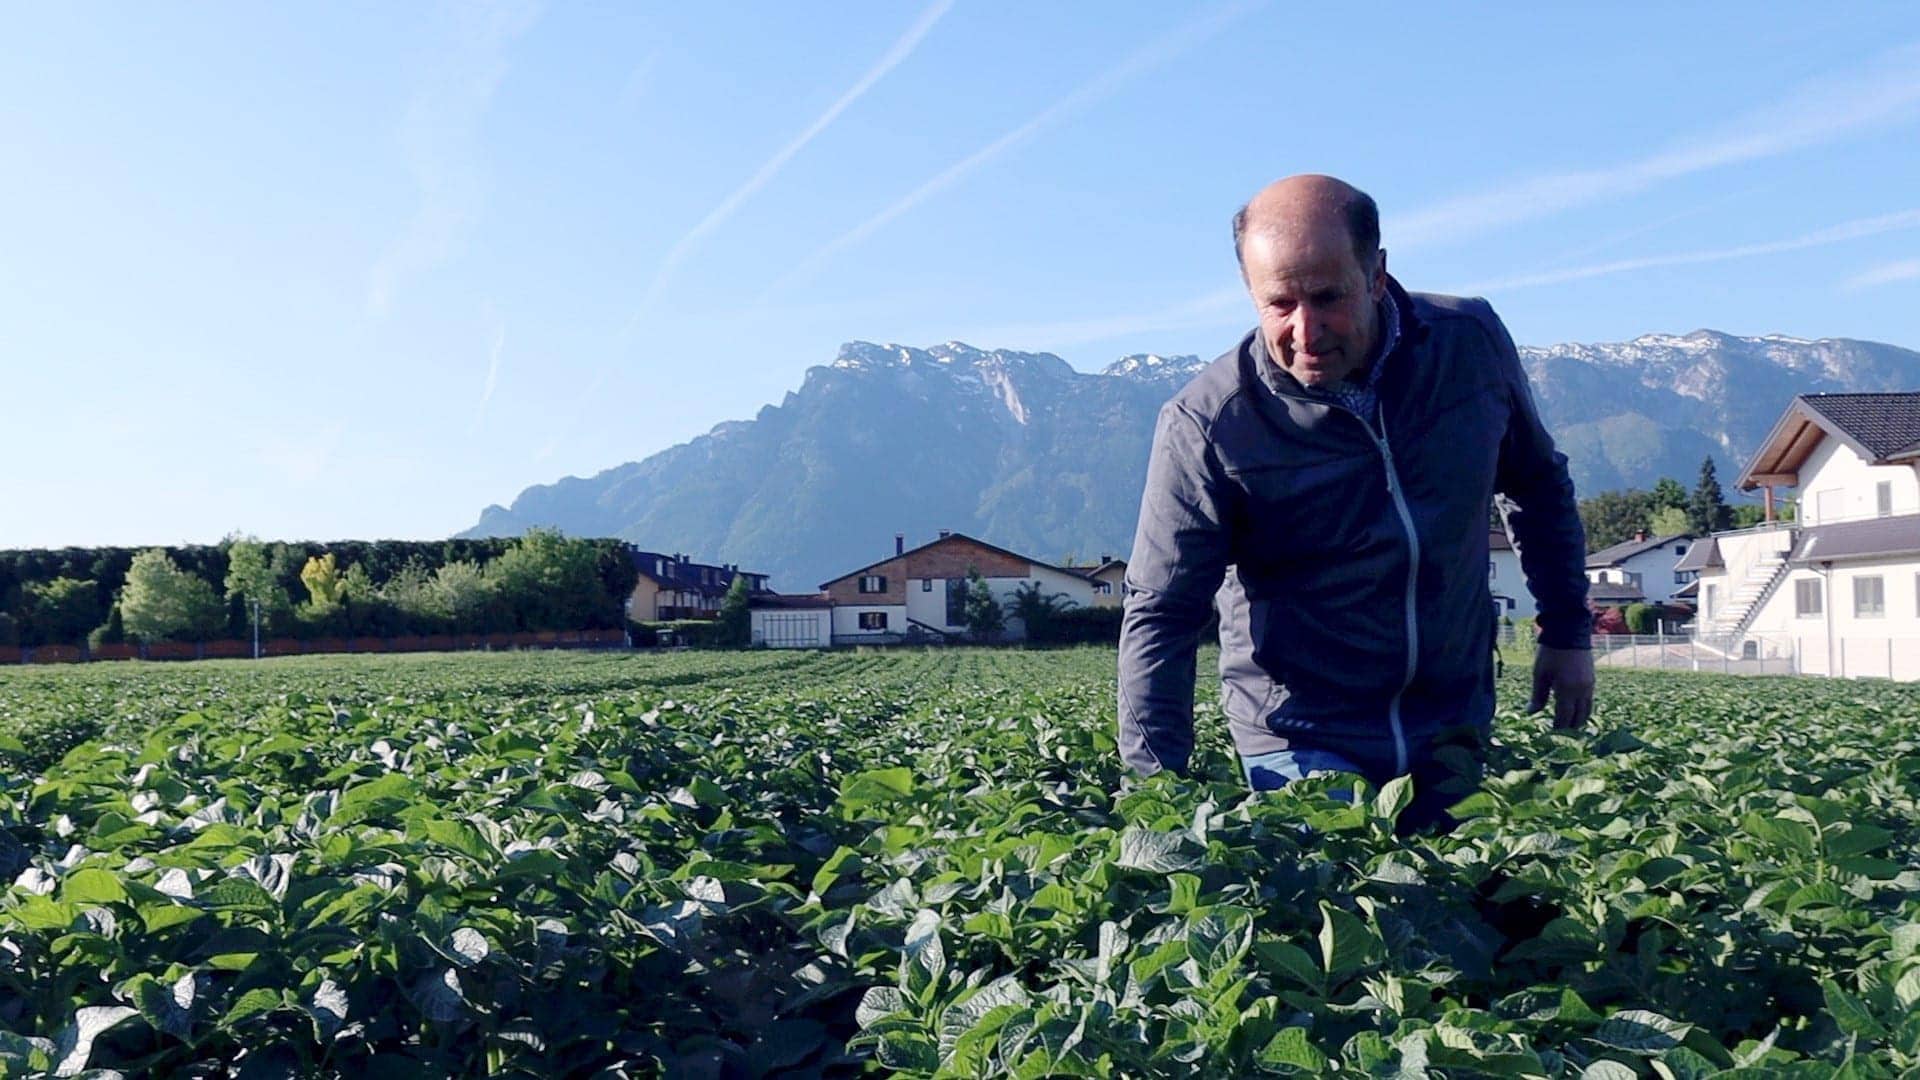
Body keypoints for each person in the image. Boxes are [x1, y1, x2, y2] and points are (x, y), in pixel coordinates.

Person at [1117, 174, 1593, 831]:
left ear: (1376, 274)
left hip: (1452, 720)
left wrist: (1567, 630)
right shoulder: (1211, 422)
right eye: (1279, 303)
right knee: (1347, 913)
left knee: (1456, 919)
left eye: (1327, 297)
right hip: (1302, 738)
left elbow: (1537, 482)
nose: (1305, 331)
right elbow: (1162, 612)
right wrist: (1158, 803)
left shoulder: (1468, 344)